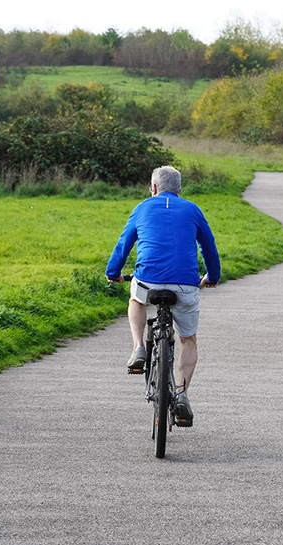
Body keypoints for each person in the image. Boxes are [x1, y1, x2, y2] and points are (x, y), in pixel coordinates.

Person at [106, 165, 220, 422]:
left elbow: (124, 243)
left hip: (148, 281)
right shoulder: (192, 209)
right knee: (188, 340)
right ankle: (182, 394)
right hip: (186, 285)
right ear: (180, 190)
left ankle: (138, 349)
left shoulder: (142, 207)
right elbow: (209, 247)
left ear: (154, 188)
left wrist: (113, 272)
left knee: (136, 299)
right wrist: (212, 277)